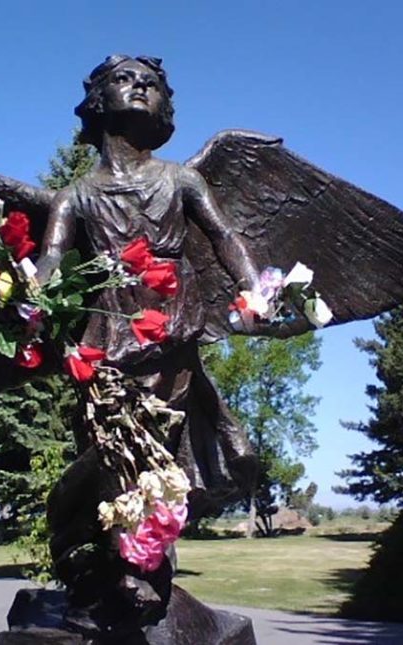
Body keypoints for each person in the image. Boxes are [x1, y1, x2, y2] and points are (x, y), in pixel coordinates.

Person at [35, 54, 261, 633]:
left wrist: (254, 290)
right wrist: (28, 296)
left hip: (171, 335)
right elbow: (52, 259)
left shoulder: (182, 179)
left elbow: (225, 235)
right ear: (96, 99)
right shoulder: (76, 196)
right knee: (111, 460)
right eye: (124, 79)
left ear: (165, 104)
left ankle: (146, 576)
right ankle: (107, 574)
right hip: (107, 346)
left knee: (164, 462)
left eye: (151, 82)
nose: (139, 87)